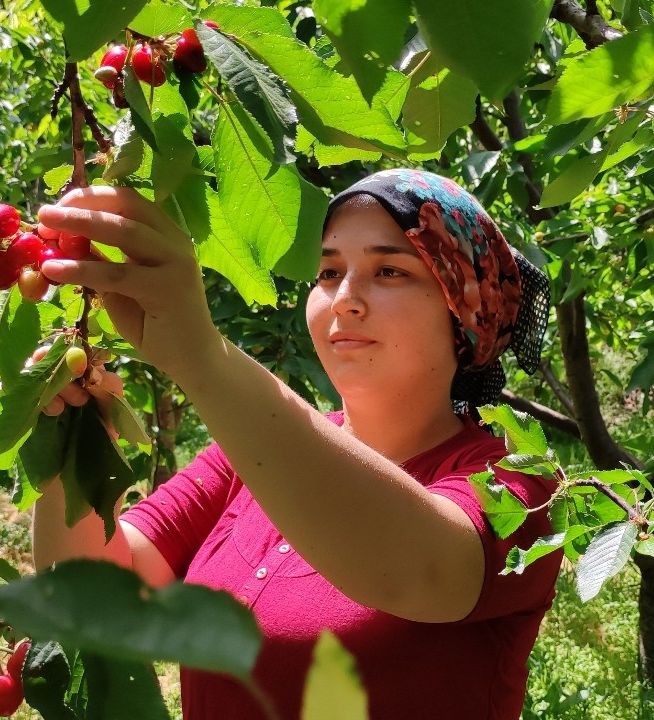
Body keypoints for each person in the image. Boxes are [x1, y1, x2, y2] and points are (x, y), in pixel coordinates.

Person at [28, 168, 559, 720]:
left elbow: (413, 572)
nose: (345, 299)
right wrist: (71, 442)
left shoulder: (517, 487)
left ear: (464, 310)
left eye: (390, 270)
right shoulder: (248, 458)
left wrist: (200, 354)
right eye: (329, 271)